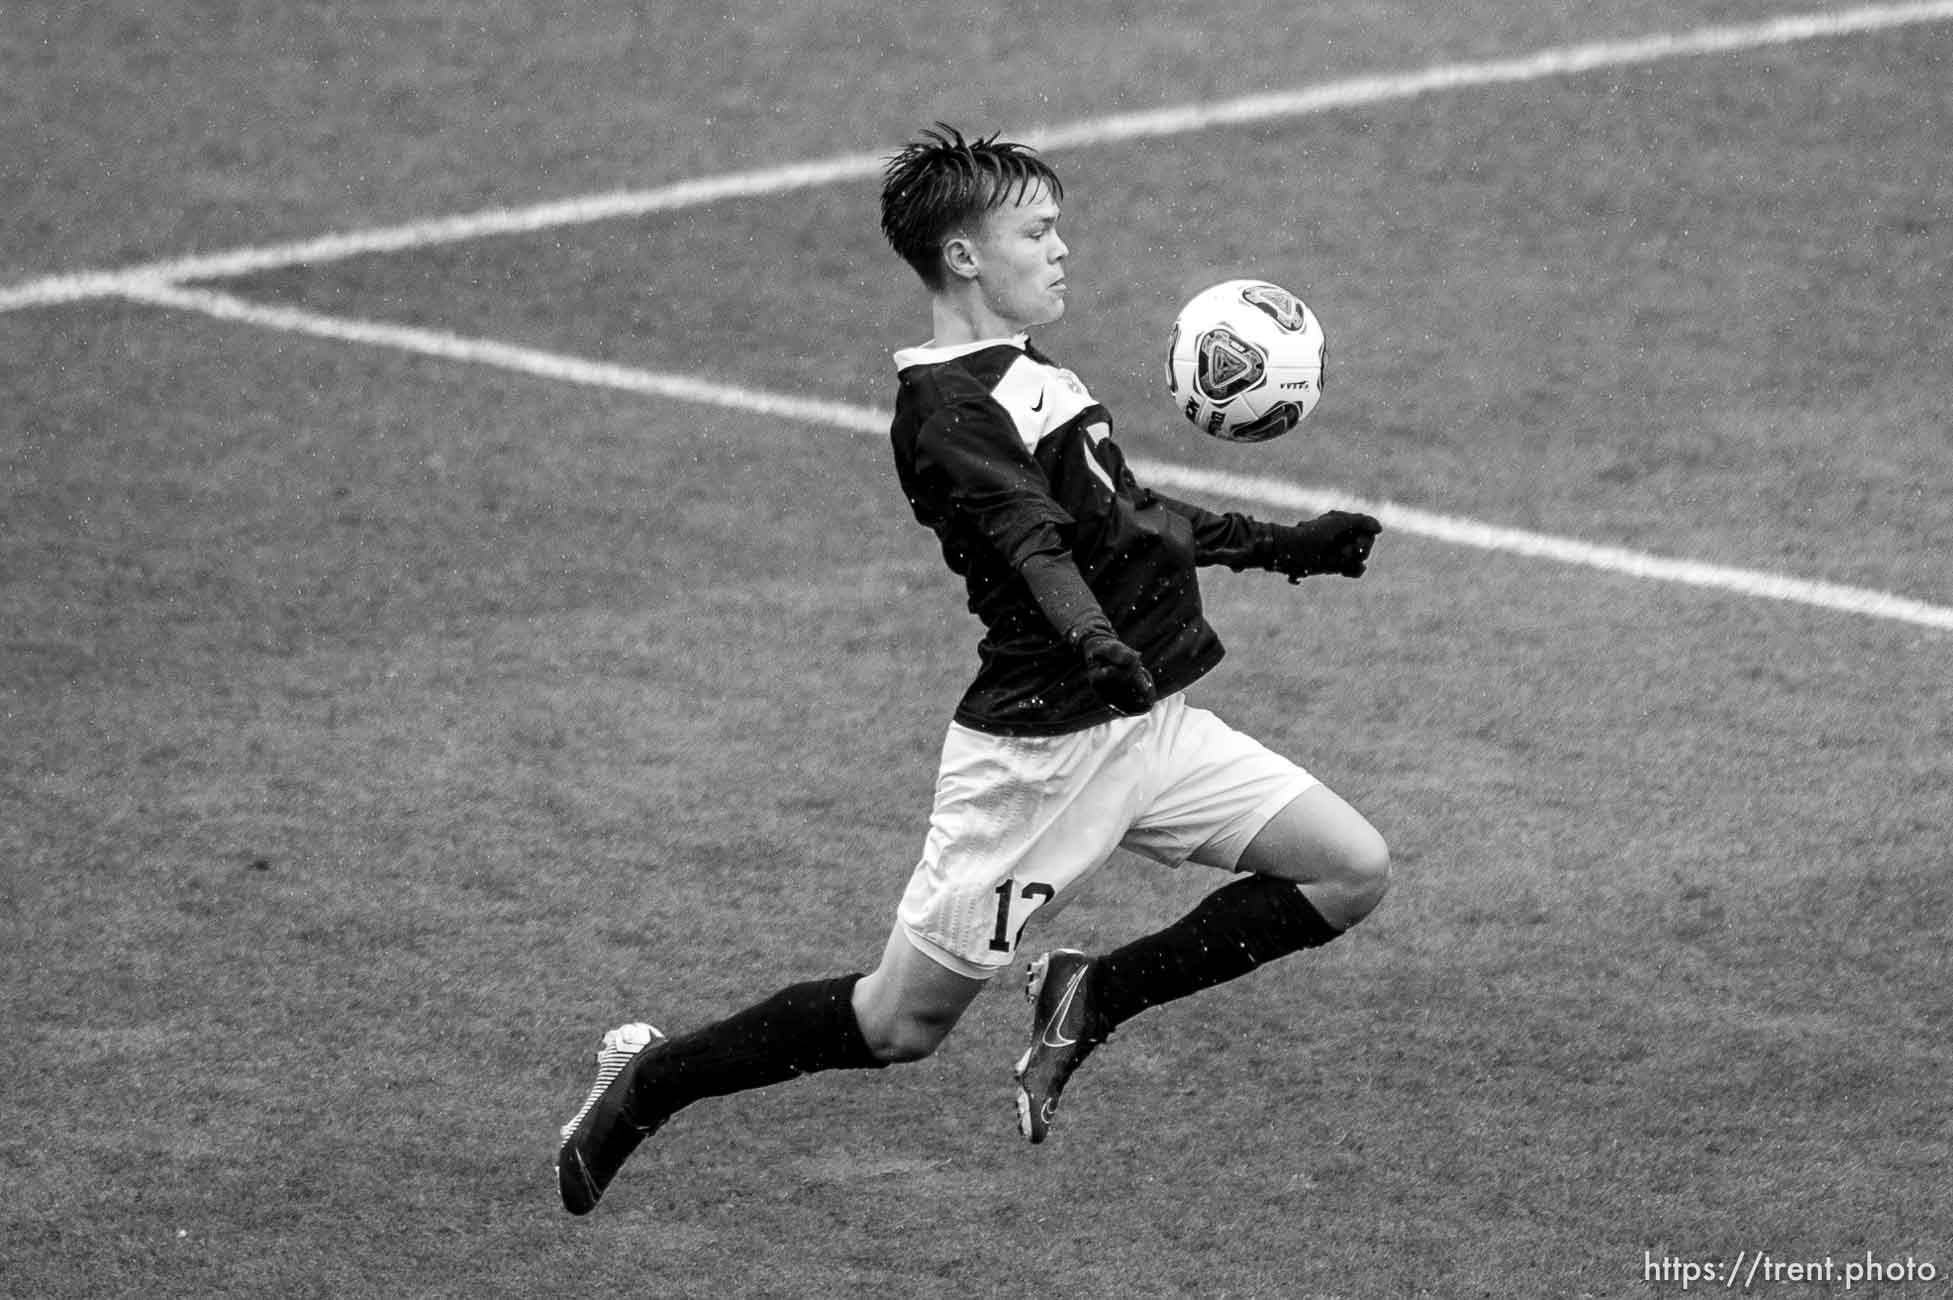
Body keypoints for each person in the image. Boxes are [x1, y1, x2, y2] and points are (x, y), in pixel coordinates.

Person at [554, 124, 1390, 1214]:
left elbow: (1130, 516)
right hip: (1038, 757)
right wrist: (1095, 641)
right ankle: (647, 1078)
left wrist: (1284, 547)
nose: (1061, 250)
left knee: (1349, 868)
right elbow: (1029, 539)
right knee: (898, 1023)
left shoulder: (1030, 369)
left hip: (1144, 720)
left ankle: (1093, 990)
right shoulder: (950, 409)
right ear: (963, 257)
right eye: (1036, 230)